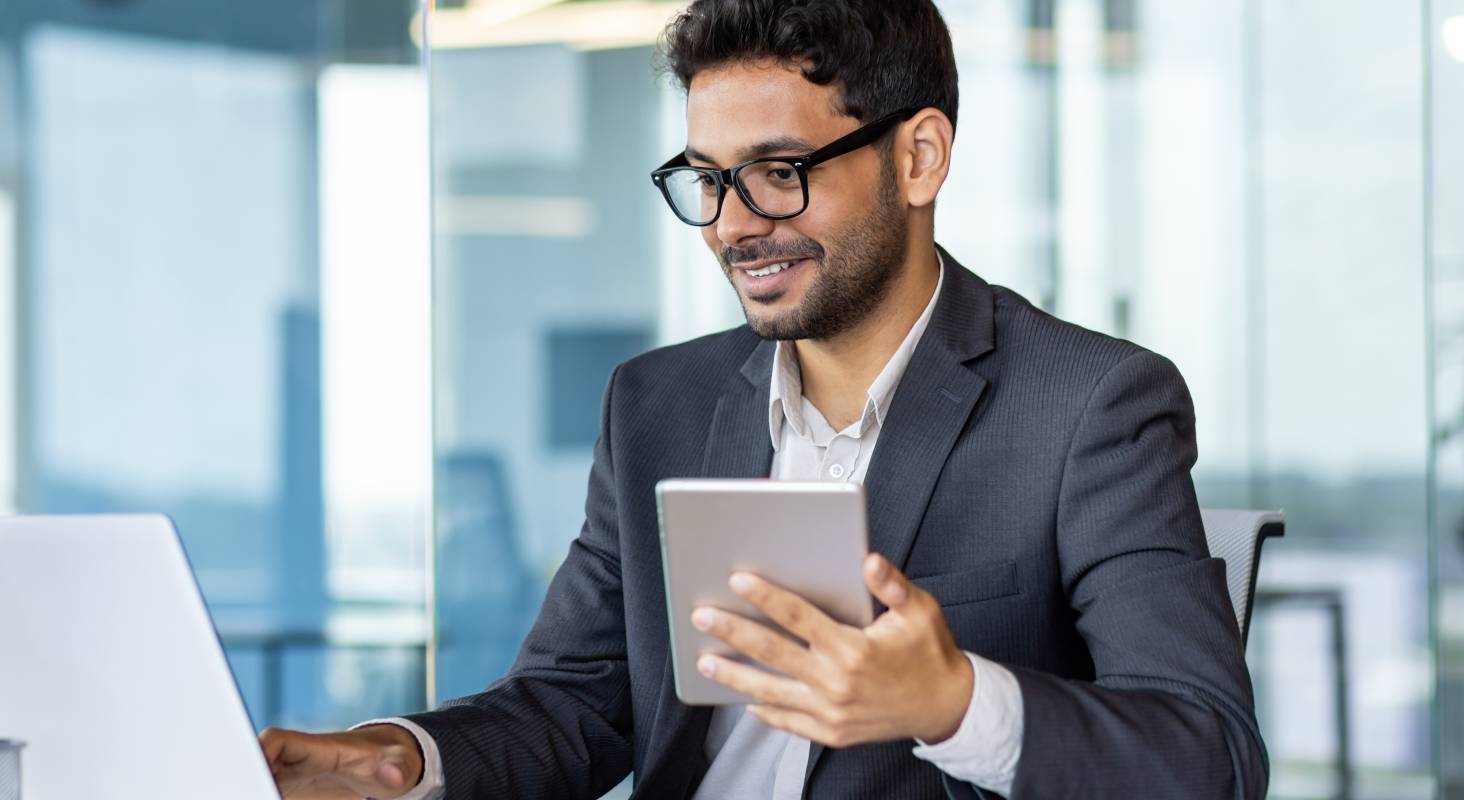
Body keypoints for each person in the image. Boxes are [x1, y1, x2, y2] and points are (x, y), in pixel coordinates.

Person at [260, 0, 1268, 797]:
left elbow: (1209, 757)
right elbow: (577, 702)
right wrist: (401, 758)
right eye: (708, 179)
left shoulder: (1088, 404)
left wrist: (955, 702)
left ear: (919, 157)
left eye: (780, 172)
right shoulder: (655, 401)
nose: (733, 226)